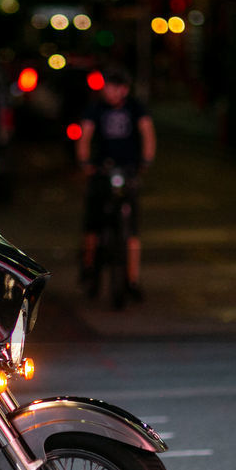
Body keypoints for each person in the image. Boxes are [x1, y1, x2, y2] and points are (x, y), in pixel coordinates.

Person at [76, 68, 156, 302]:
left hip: (128, 170)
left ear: (123, 89)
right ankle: (89, 267)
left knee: (131, 229)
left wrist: (146, 160)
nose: (107, 92)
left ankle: (132, 279)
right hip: (102, 171)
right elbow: (85, 136)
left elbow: (147, 132)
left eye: (111, 87)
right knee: (92, 224)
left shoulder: (136, 107)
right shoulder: (95, 108)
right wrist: (85, 162)